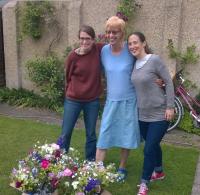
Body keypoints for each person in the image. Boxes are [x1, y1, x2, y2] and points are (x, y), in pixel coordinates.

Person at [128, 32, 174, 195]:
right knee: (152, 145)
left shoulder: (154, 60)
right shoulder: (134, 64)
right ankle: (159, 171)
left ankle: (144, 183)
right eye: (130, 44)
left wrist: (170, 107)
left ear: (144, 43)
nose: (132, 46)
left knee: (148, 149)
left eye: (135, 42)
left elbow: (168, 82)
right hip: (142, 114)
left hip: (160, 113)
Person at [95, 16, 141, 181]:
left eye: (114, 32)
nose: (110, 35)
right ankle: (97, 170)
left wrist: (157, 79)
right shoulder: (104, 51)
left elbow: (145, 63)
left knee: (126, 135)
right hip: (111, 101)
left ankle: (122, 167)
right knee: (104, 134)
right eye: (108, 32)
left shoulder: (130, 51)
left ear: (122, 33)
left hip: (129, 101)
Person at [60, 25, 104, 161]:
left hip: (92, 101)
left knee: (91, 133)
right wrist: (70, 92)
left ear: (93, 39)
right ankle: (60, 158)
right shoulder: (73, 56)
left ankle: (90, 160)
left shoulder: (98, 49)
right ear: (79, 39)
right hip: (73, 100)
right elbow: (67, 77)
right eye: (82, 39)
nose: (85, 42)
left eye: (88, 39)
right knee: (66, 132)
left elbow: (117, 44)